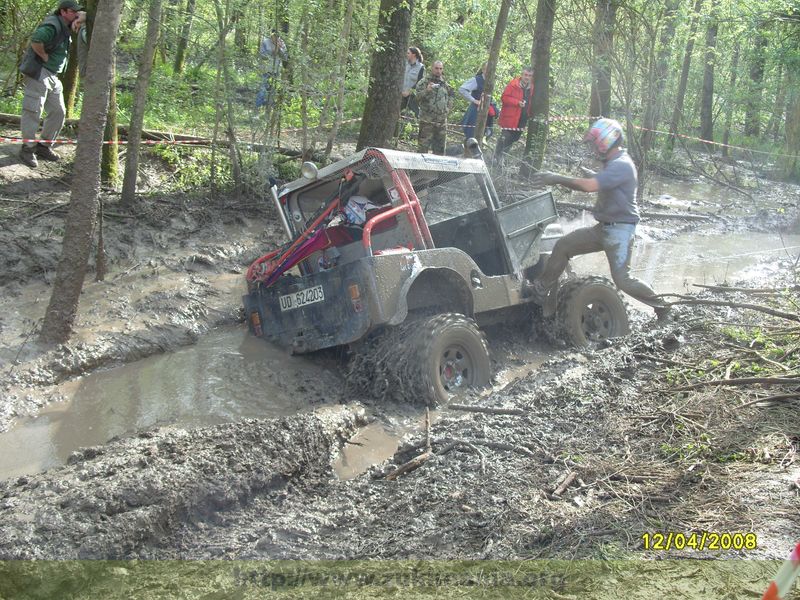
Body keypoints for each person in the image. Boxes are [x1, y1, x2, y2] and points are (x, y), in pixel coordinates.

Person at [529, 118, 671, 322]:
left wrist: (556, 178)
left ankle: (663, 308)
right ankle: (541, 289)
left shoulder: (621, 164)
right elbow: (605, 182)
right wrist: (595, 174)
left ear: (605, 142)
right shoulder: (614, 163)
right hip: (603, 228)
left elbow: (589, 187)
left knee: (623, 280)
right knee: (563, 246)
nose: (593, 149)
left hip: (620, 231)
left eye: (594, 144)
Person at [17, 0, 84, 168]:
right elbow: (36, 40)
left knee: (58, 111)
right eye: (72, 11)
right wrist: (44, 56)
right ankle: (28, 148)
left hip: (52, 75)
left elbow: (87, 15)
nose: (76, 14)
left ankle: (43, 146)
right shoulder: (52, 25)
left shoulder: (66, 23)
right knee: (33, 110)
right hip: (40, 71)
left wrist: (80, 18)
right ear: (63, 11)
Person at [493, 67, 533, 165]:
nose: (527, 77)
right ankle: (496, 157)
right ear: (522, 75)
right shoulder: (513, 85)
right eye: (525, 75)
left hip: (522, 119)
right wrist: (517, 102)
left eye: (529, 76)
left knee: (514, 138)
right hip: (510, 117)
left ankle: (503, 156)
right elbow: (504, 98)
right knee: (505, 137)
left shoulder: (532, 87)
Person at [415, 60, 454, 155]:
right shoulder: (423, 82)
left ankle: (437, 170)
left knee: (440, 150)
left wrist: (447, 109)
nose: (438, 71)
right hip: (427, 121)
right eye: (436, 68)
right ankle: (419, 169)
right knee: (422, 148)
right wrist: (427, 90)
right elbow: (417, 98)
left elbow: (451, 96)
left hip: (441, 122)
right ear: (432, 68)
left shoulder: (445, 84)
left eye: (440, 68)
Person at [458, 63, 497, 140]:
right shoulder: (476, 80)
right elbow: (462, 89)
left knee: (483, 136)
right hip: (475, 111)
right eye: (487, 69)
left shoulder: (491, 80)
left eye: (491, 70)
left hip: (486, 111)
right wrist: (474, 100)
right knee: (471, 135)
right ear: (483, 70)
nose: (489, 71)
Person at [256, 30, 288, 109]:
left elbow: (285, 57)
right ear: (271, 35)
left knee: (273, 90)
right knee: (263, 89)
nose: (276, 38)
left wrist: (279, 48)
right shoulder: (265, 42)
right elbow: (262, 55)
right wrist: (274, 50)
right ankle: (258, 107)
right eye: (274, 36)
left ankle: (268, 108)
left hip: (276, 70)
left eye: (277, 36)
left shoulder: (282, 43)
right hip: (266, 70)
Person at [401, 47, 424, 118]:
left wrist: (409, 92)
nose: (406, 54)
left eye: (408, 53)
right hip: (401, 94)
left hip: (412, 96)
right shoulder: (404, 64)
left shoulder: (421, 67)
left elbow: (420, 82)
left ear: (414, 55)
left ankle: (416, 128)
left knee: (416, 116)